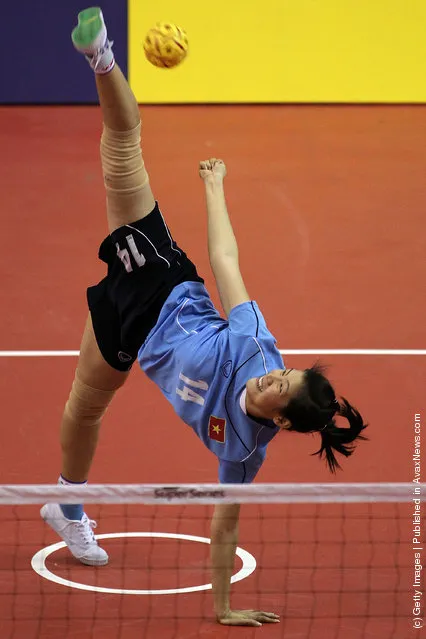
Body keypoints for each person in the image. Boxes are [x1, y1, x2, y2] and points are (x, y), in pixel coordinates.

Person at [41, 7, 367, 627]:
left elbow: (225, 523)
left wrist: (224, 607)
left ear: (280, 417)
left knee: (85, 409)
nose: (273, 374)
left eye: (279, 386)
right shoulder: (253, 343)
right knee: (124, 149)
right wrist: (215, 187)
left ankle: (67, 508)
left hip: (127, 330)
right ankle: (102, 55)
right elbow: (224, 261)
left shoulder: (244, 452)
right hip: (161, 281)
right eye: (284, 371)